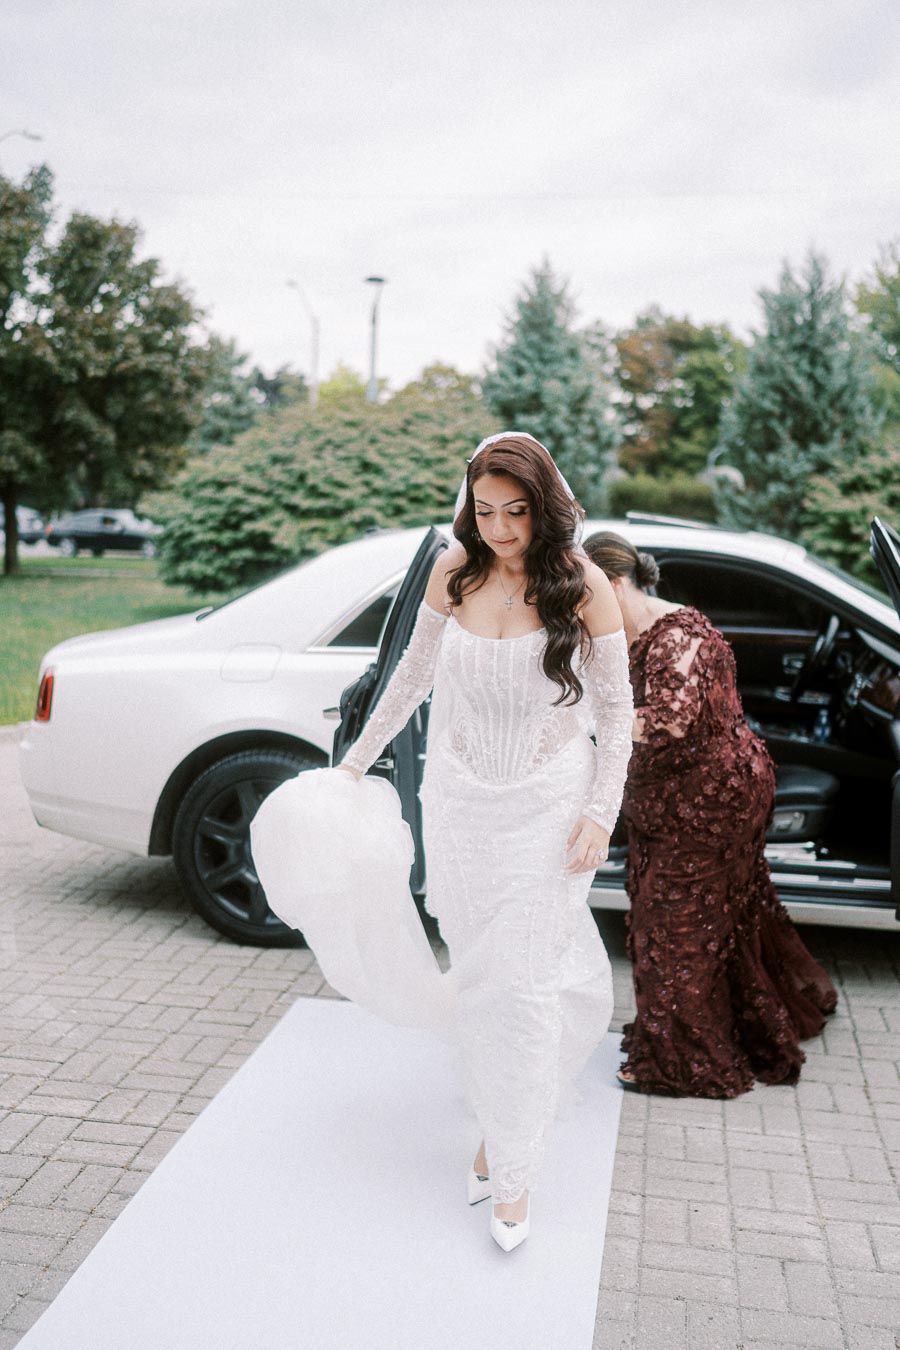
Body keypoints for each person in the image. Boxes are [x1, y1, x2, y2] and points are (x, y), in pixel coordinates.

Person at [335, 434, 634, 1251]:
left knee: (528, 986)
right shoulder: (452, 574)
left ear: (546, 507)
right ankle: (505, 1124)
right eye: (485, 510)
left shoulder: (586, 588)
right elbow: (409, 681)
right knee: (482, 979)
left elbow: (615, 715)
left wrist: (601, 813)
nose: (500, 529)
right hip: (460, 806)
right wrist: (355, 765)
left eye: (517, 511)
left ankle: (513, 1173)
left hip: (548, 809)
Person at [583, 530, 837, 1099]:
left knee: (675, 925)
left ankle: (683, 1061)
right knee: (714, 916)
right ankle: (743, 1025)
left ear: (618, 583)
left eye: (590, 594)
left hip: (710, 801)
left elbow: (667, 721)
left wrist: (579, 729)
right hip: (679, 798)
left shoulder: (675, 638)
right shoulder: (625, 627)